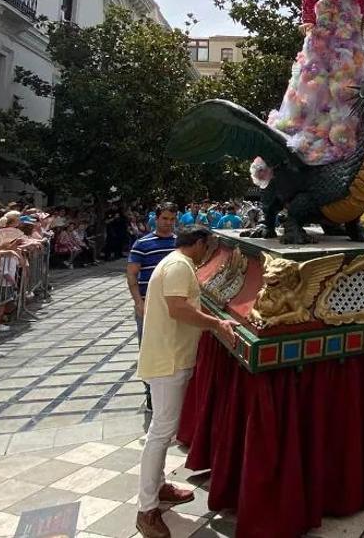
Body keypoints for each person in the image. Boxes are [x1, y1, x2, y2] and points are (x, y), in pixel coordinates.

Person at [135, 227, 236, 538]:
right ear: (200, 243)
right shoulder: (179, 266)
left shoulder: (176, 263)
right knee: (161, 433)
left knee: (163, 431)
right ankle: (146, 509)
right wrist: (217, 323)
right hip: (169, 361)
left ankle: (159, 486)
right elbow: (179, 309)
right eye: (209, 246)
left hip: (170, 356)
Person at [254, 0, 364, 175]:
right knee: (313, 79)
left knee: (345, 85)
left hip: (349, 33)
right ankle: (299, 134)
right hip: (325, 28)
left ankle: (337, 138)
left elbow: (362, 4)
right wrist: (308, 20)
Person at [127, 203, 179, 412]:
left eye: (172, 219)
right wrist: (138, 302)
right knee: (148, 349)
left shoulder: (179, 243)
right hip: (148, 305)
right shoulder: (142, 243)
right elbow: (132, 273)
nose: (168, 223)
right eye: (164, 218)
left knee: (172, 348)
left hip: (173, 304)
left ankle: (170, 393)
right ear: (156, 219)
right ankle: (149, 394)